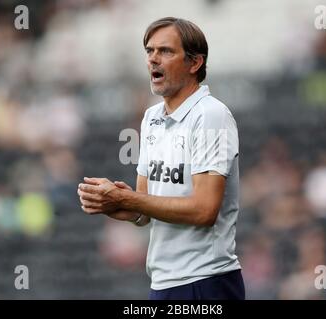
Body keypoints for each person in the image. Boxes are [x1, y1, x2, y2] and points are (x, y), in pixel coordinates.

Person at [78, 17, 244, 300]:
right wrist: (113, 202)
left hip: (205, 282)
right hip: (163, 282)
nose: (154, 59)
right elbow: (145, 211)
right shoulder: (151, 118)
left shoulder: (210, 115)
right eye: (149, 51)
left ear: (195, 63)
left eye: (165, 51)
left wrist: (128, 200)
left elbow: (205, 210)